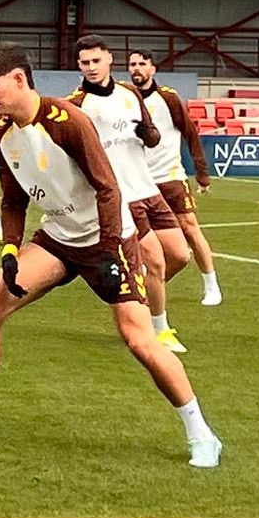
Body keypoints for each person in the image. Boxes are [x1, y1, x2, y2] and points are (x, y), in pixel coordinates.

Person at [0, 43, 222, 468]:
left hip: (108, 239)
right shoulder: (4, 136)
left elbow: (108, 188)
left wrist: (112, 248)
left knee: (138, 339)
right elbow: (14, 201)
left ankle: (202, 434)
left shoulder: (67, 120)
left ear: (19, 79)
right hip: (58, 238)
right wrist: (10, 249)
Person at [72, 35, 187, 353]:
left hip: (148, 188)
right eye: (85, 62)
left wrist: (148, 133)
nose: (92, 67)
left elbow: (153, 137)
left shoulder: (130, 93)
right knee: (157, 262)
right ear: (78, 66)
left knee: (180, 255)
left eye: (96, 60)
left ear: (109, 58)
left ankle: (134, 297)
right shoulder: (78, 105)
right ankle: (159, 330)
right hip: (121, 196)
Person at [127, 47, 222, 306]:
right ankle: (145, 283)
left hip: (169, 176)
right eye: (133, 64)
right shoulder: (125, 99)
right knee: (135, 235)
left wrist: (202, 174)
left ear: (153, 68)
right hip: (138, 181)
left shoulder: (168, 98)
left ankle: (211, 285)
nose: (136, 69)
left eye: (142, 64)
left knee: (190, 228)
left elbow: (190, 133)